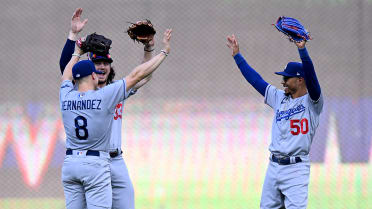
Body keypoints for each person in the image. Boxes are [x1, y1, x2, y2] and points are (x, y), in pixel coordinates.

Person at [60, 26, 172, 209]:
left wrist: (78, 49)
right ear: (91, 73)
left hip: (112, 159)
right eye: (97, 63)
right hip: (96, 162)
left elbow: (143, 77)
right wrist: (163, 51)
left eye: (106, 62)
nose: (102, 66)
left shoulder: (72, 94)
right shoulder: (107, 95)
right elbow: (137, 75)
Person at [226, 34, 323, 209]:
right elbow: (256, 80)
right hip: (273, 166)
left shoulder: (313, 102)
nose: (283, 81)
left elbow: (313, 78)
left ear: (300, 79)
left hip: (296, 169)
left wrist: (302, 50)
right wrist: (237, 56)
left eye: (287, 77)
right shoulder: (279, 97)